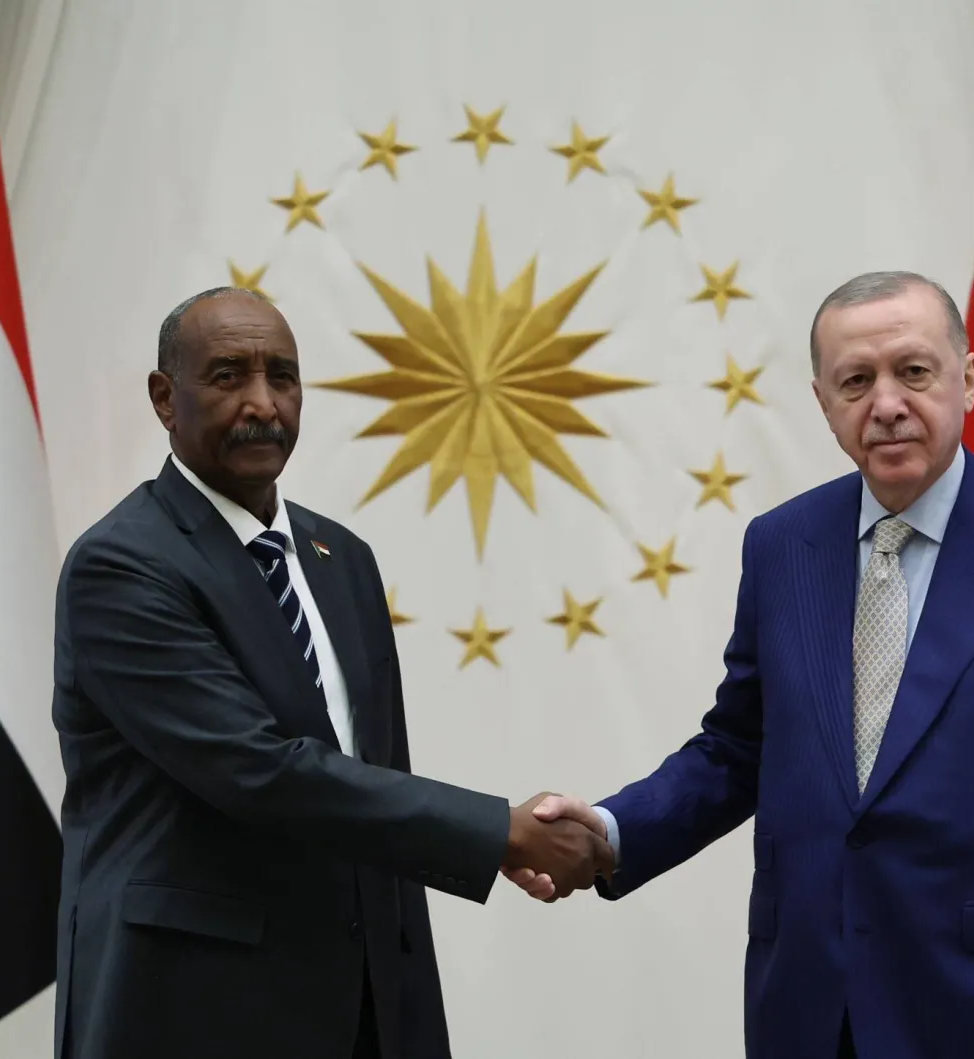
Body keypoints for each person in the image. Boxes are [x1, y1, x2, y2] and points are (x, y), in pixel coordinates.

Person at [509, 271, 974, 1059]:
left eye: (913, 372)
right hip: (814, 1011)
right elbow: (738, 749)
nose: (886, 403)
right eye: (857, 380)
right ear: (823, 402)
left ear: (970, 379)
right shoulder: (784, 545)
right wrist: (611, 833)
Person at [51, 286, 612, 1059]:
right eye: (226, 376)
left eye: (282, 376)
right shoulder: (123, 565)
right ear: (163, 397)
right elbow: (262, 771)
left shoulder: (338, 557)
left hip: (362, 1006)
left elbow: (376, 776)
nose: (262, 403)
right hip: (193, 1008)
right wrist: (499, 831)